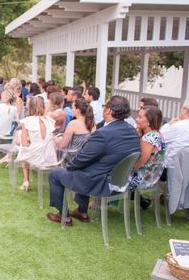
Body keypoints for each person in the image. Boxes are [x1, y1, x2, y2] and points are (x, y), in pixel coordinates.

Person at [47, 95, 141, 226]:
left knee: (55, 174)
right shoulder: (132, 131)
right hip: (122, 181)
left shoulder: (104, 133)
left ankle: (64, 216)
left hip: (101, 182)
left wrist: (69, 167)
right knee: (85, 169)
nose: (103, 109)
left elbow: (82, 158)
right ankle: (82, 212)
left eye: (105, 106)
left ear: (109, 111)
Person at [15, 96, 58, 191]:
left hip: (36, 158)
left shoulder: (27, 121)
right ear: (43, 106)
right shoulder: (50, 121)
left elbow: (24, 143)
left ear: (30, 107)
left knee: (23, 149)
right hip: (50, 158)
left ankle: (26, 180)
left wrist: (30, 141)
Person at [160, 99, 189, 167]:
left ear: (185, 110)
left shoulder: (177, 127)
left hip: (167, 169)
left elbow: (157, 139)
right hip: (188, 171)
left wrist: (169, 124)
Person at [129, 106, 166, 193]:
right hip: (153, 177)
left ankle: (104, 203)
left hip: (142, 180)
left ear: (149, 121)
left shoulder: (148, 140)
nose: (136, 119)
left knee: (109, 176)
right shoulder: (158, 134)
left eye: (140, 117)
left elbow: (138, 164)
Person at [54, 98, 95, 164]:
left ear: (78, 111)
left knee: (54, 142)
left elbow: (62, 145)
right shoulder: (92, 124)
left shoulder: (73, 123)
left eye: (72, 108)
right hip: (85, 157)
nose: (71, 110)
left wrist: (55, 139)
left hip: (72, 157)